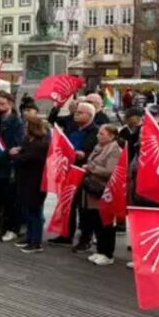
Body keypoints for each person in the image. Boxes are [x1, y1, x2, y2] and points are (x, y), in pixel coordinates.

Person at [49, 102, 99, 249]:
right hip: (68, 172)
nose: (76, 114)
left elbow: (93, 152)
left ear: (89, 116)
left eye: (80, 112)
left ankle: (85, 239)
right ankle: (66, 235)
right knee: (68, 205)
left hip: (83, 174)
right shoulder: (72, 128)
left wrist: (83, 154)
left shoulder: (95, 132)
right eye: (76, 112)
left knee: (83, 209)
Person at [82, 125, 122, 266]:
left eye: (102, 134)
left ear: (111, 136)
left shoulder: (114, 150)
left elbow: (110, 171)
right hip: (93, 190)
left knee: (106, 224)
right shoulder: (98, 147)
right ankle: (100, 250)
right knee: (96, 221)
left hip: (105, 191)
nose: (98, 136)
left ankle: (108, 253)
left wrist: (91, 168)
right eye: (99, 133)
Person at [0, 92, 24, 241]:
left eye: (2, 103)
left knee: (10, 199)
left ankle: (12, 228)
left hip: (8, 165)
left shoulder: (17, 122)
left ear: (10, 104)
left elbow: (14, 146)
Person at [10, 117, 49, 253]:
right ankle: (29, 237)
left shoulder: (40, 145)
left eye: (27, 126)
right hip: (25, 181)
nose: (24, 129)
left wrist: (14, 155)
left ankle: (36, 242)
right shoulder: (28, 141)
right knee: (27, 211)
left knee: (35, 213)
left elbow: (24, 159)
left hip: (35, 182)